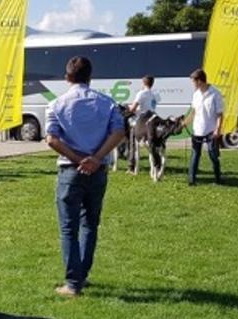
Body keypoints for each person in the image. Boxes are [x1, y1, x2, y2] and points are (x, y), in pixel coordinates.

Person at [45, 56, 126, 297]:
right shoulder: (107, 103)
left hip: (70, 170)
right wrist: (97, 158)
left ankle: (73, 283)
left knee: (68, 228)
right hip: (98, 171)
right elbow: (119, 132)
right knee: (90, 224)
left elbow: (52, 139)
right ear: (90, 77)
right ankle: (83, 275)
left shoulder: (56, 104)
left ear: (67, 77)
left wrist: (77, 159)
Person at [182, 68, 224, 185]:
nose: (193, 85)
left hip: (211, 130)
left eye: (193, 82)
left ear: (199, 81)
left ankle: (218, 179)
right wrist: (185, 123)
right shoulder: (196, 94)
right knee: (195, 154)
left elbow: (220, 114)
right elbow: (193, 112)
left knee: (213, 155)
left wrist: (217, 130)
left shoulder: (215, 93)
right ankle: (192, 180)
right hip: (197, 130)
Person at [126, 75, 161, 174]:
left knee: (133, 142)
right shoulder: (156, 94)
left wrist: (128, 108)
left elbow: (133, 108)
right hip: (153, 118)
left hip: (142, 120)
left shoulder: (141, 93)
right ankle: (157, 165)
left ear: (143, 83)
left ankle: (131, 166)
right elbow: (152, 105)